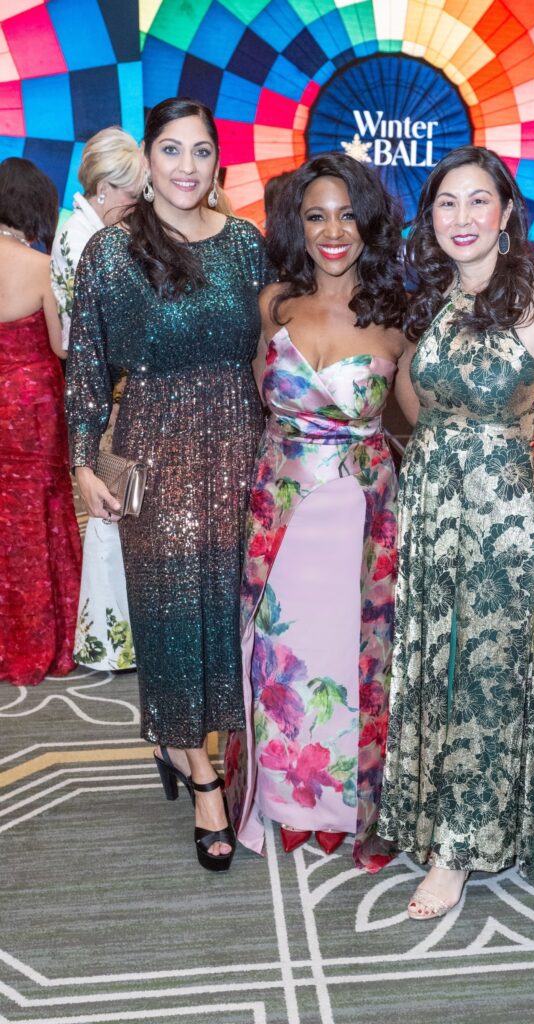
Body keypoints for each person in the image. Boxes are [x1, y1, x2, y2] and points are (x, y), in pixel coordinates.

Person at [377, 146, 534, 917]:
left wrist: (524, 507)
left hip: (503, 515)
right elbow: (415, 408)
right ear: (428, 219)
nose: (459, 218)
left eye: (476, 202)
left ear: (504, 215)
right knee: (432, 663)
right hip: (429, 506)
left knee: (485, 678)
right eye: (444, 204)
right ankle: (427, 815)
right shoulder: (431, 299)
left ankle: (460, 848)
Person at [65, 97, 272, 871]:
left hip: (240, 451)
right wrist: (85, 461)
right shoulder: (112, 254)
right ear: (146, 160)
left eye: (201, 151)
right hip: (155, 454)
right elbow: (85, 366)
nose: (187, 166)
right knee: (174, 624)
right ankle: (203, 779)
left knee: (230, 617)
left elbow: (266, 354)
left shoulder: (247, 245)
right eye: (171, 150)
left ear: (218, 161)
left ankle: (202, 749)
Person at [223, 153, 409, 871]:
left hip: (360, 520)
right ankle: (285, 801)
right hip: (284, 510)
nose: (333, 231)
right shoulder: (271, 304)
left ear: (368, 222)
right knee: (278, 654)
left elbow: (420, 420)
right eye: (315, 215)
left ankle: (342, 807)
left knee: (349, 659)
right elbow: (254, 396)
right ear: (295, 226)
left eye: (346, 214)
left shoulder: (395, 318)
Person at [51, 126, 146, 672]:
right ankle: (113, 641)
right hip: (107, 388)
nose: (138, 201)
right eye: (133, 190)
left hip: (103, 383)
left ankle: (110, 638)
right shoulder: (86, 238)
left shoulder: (78, 228)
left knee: (111, 513)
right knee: (111, 510)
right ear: (108, 186)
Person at [0, 158, 82, 685]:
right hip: (33, 403)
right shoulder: (42, 266)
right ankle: (47, 640)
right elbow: (60, 344)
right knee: (43, 509)